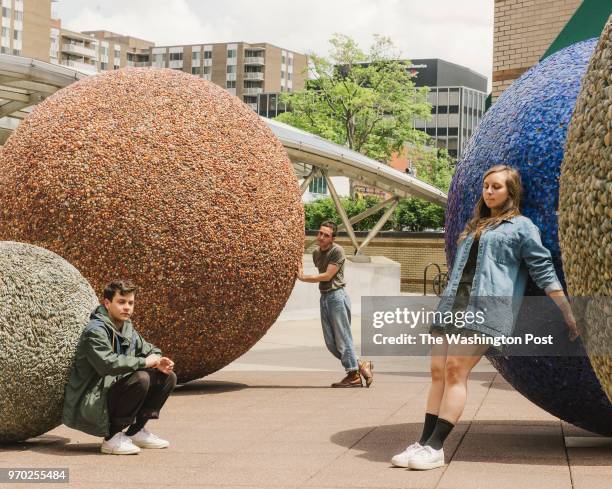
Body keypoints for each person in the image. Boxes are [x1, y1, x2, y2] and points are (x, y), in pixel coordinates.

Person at [391, 165, 579, 470]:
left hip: (486, 310)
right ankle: (423, 442)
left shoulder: (522, 227)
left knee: (455, 370)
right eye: (485, 186)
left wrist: (567, 310)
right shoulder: (476, 225)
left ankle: (436, 447)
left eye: (497, 187)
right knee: (438, 372)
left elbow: (542, 269)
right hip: (452, 307)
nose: (489, 192)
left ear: (511, 192)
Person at [63, 280, 177, 455]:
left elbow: (148, 349)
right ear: (107, 303)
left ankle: (136, 431)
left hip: (112, 389)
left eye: (130, 303)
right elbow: (107, 364)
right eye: (121, 302)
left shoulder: (126, 328)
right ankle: (112, 437)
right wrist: (145, 362)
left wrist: (160, 360)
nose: (127, 308)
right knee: (141, 378)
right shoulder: (95, 331)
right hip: (92, 397)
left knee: (168, 377)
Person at [297, 220, 374, 388]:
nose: (321, 237)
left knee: (343, 338)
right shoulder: (317, 253)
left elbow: (327, 276)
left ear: (332, 238)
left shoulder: (337, 251)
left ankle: (353, 375)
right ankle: (361, 365)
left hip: (337, 297)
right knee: (331, 342)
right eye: (320, 233)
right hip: (324, 298)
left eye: (326, 235)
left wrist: (304, 278)